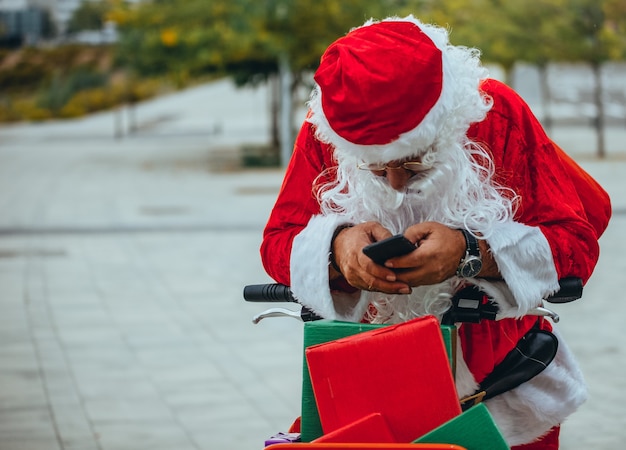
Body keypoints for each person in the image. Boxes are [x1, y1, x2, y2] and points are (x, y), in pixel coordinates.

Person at [259, 15, 611, 449]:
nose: (395, 185)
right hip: (366, 379)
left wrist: (473, 250)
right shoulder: (325, 126)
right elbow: (277, 242)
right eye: (373, 167)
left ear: (449, 120)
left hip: (501, 380)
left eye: (415, 161)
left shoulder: (495, 113)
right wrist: (336, 249)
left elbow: (574, 246)